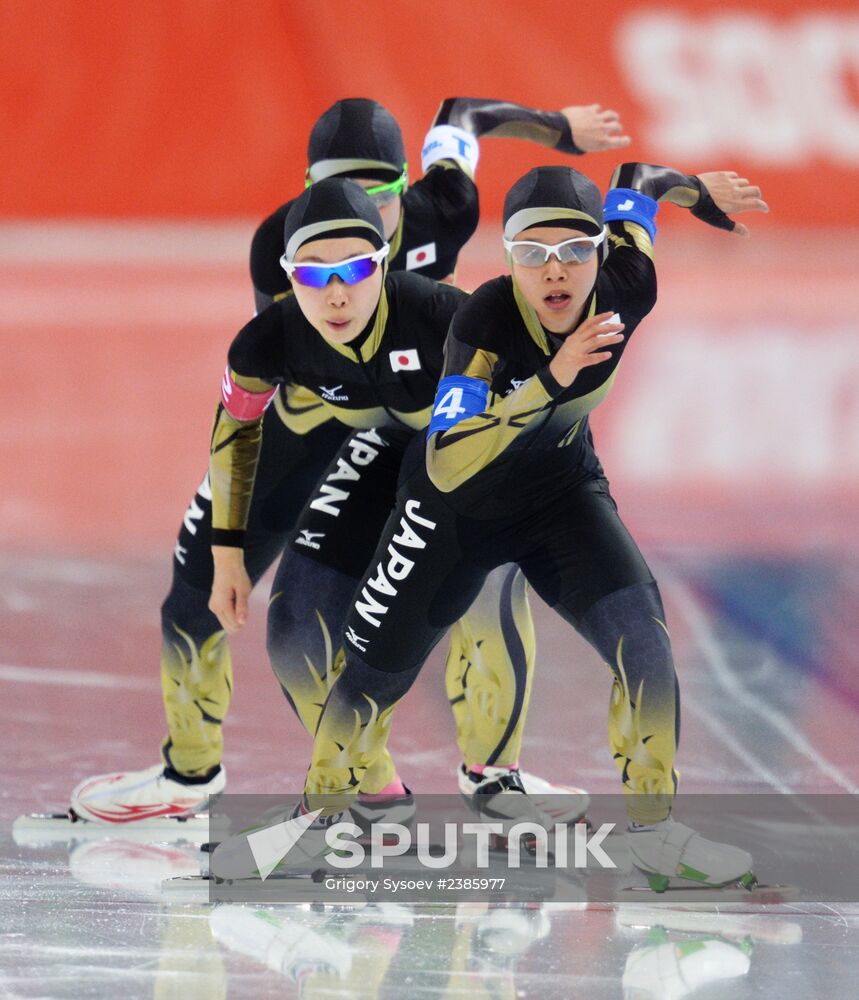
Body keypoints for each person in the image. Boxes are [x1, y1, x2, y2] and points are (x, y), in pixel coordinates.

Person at [71, 96, 630, 825]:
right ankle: (191, 772)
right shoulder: (285, 246)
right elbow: (283, 360)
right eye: (341, 190)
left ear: (407, 187)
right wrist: (233, 545)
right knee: (205, 576)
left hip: (425, 422)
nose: (364, 206)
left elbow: (462, 117)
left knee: (489, 581)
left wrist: (557, 130)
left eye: (381, 190)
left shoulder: (445, 211)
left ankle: (495, 778)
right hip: (317, 416)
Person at [295, 162, 771, 891]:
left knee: (645, 646)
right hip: (453, 512)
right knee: (367, 684)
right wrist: (548, 383)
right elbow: (449, 459)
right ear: (509, 257)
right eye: (531, 254)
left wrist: (693, 194)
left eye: (574, 251)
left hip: (559, 497)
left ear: (601, 254)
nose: (554, 273)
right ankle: (316, 824)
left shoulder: (628, 286)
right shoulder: (480, 324)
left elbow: (637, 180)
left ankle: (654, 836)